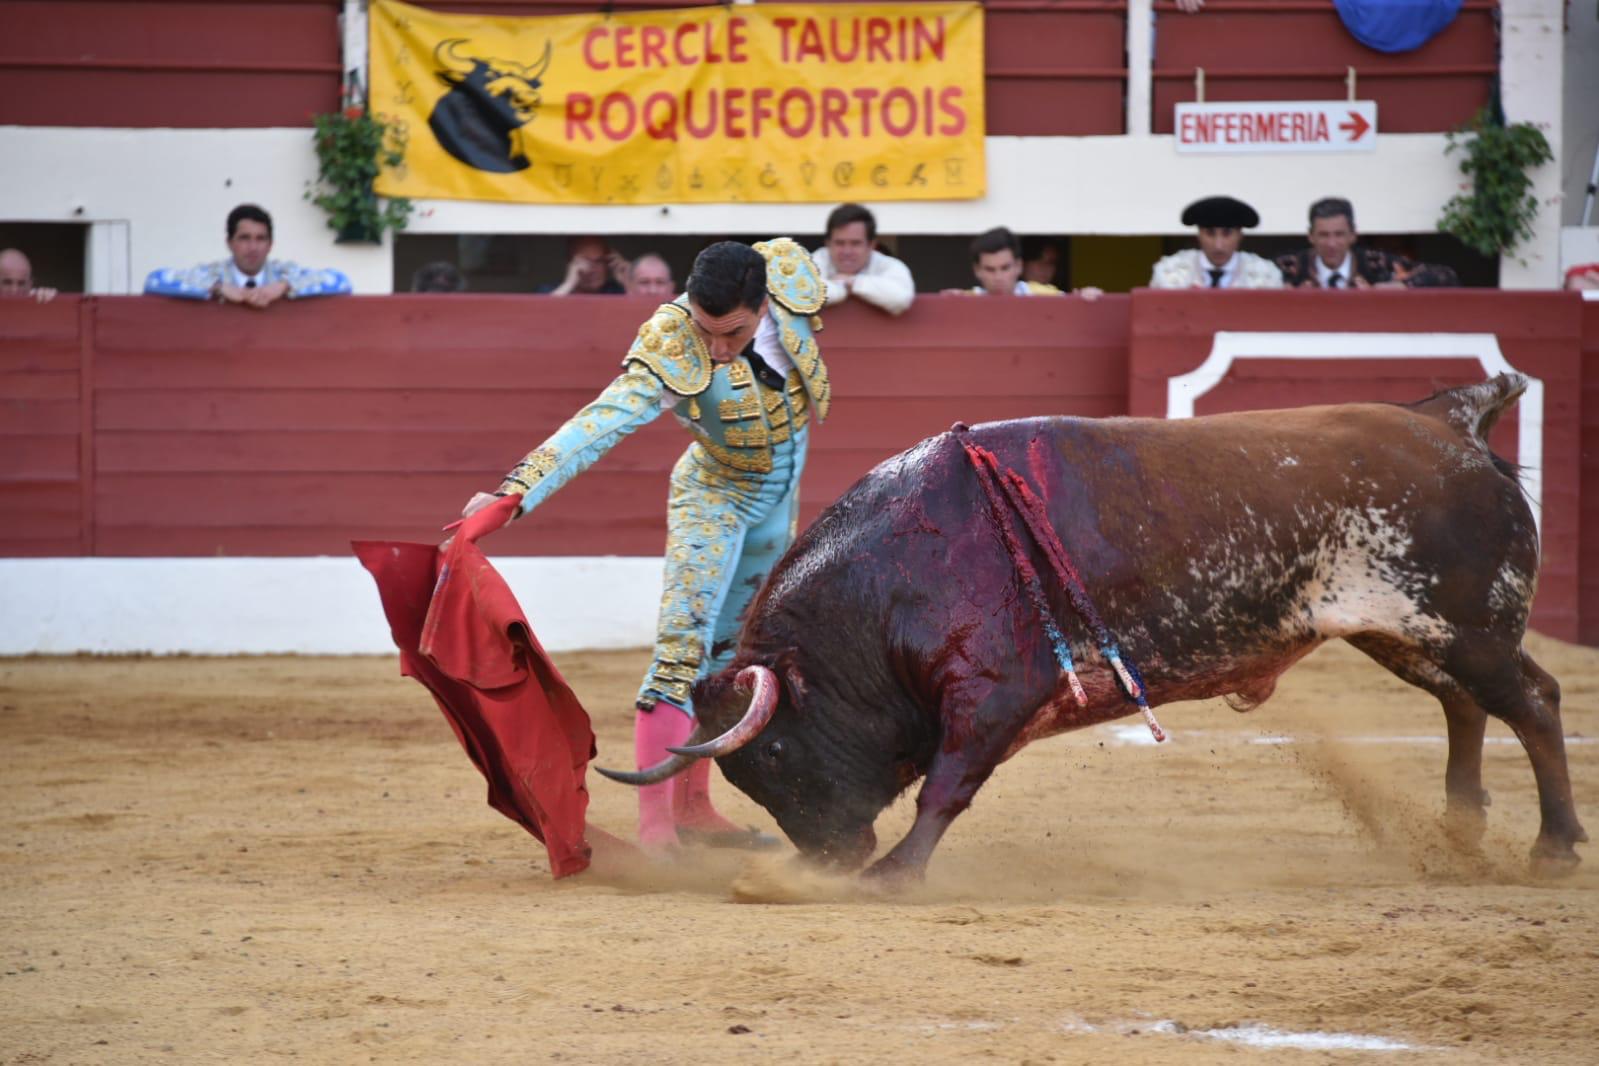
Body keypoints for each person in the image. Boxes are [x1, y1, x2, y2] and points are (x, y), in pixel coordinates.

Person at [458, 239, 829, 854]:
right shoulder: (672, 339)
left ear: (764, 305)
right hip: (715, 497)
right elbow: (598, 423)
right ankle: (656, 828)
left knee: (728, 658)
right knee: (681, 653)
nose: (715, 349)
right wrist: (515, 491)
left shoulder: (790, 278)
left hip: (778, 504)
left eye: (731, 333)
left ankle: (695, 808)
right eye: (705, 332)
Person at [143, 204, 352, 306]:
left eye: (261, 239)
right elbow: (153, 281)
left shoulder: (283, 273)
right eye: (244, 238)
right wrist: (217, 286)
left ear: (271, 245)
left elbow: (342, 282)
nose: (253, 247)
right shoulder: (214, 274)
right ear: (229, 243)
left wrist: (285, 286)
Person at [1276, 198, 1458, 288]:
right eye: (1324, 235)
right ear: (1310, 236)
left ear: (1353, 235)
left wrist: (1401, 286)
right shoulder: (1289, 266)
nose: (1332, 243)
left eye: (1339, 234)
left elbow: (1446, 275)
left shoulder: (1375, 262)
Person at [1150, 196, 1284, 289]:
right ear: (1199, 235)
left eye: (1227, 234)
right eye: (1210, 234)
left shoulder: (1265, 275)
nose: (1218, 245)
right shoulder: (1170, 272)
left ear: (1240, 235)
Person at [809, 203, 915, 316]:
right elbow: (806, 294)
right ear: (828, 243)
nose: (847, 251)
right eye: (840, 243)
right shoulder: (817, 259)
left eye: (855, 243)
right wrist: (843, 287)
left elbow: (900, 299)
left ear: (871, 245)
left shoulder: (889, 265)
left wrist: (853, 282)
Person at [944, 227, 1092, 296]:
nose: (998, 277)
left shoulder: (1044, 296)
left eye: (1005, 268)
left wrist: (1088, 296)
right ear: (977, 270)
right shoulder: (965, 300)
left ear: (1018, 266)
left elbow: (1078, 305)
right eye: (990, 269)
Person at [538, 235, 628, 295]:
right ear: (570, 264)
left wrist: (628, 281)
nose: (593, 269)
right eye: (585, 262)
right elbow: (537, 316)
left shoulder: (616, 291)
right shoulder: (550, 291)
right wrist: (568, 285)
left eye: (599, 261)